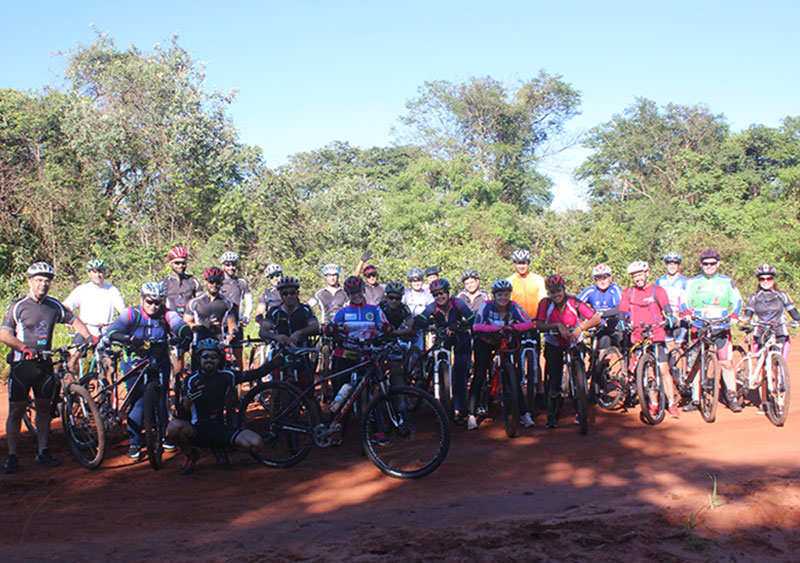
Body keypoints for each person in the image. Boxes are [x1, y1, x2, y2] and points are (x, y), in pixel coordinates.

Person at [1, 262, 96, 473]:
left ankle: (43, 451)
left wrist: (89, 337)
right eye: (39, 280)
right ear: (30, 281)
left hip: (44, 364)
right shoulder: (18, 306)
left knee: (44, 408)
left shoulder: (53, 306)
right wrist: (24, 348)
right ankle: (12, 455)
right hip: (22, 365)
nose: (43, 284)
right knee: (17, 410)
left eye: (47, 281)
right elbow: (4, 334)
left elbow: (74, 320)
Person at [104, 282, 193, 460]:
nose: (153, 306)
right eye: (149, 301)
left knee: (161, 399)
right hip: (134, 363)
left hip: (160, 361)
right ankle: (135, 440)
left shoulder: (167, 314)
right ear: (141, 299)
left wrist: (185, 336)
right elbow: (113, 332)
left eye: (157, 303)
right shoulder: (131, 313)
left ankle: (161, 435)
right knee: (138, 401)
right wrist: (129, 339)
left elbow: (180, 325)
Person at [168, 338, 273, 474]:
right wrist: (190, 398)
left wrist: (278, 359)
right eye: (205, 356)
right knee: (174, 427)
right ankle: (190, 455)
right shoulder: (191, 380)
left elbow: (257, 373)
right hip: (198, 430)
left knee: (256, 443)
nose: (209, 360)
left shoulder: (227, 376)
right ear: (199, 358)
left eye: (213, 356)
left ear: (218, 360)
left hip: (220, 429)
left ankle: (220, 449)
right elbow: (181, 414)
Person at [468, 279, 537, 430]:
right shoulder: (486, 305)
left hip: (506, 340)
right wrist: (493, 329)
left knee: (514, 375)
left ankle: (524, 414)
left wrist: (513, 327)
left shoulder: (514, 307)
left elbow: (530, 323)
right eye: (500, 295)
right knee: (479, 374)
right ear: (494, 296)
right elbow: (476, 325)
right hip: (486, 341)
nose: (503, 298)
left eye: (506, 295)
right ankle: (471, 414)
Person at [535, 274, 601, 429]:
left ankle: (580, 407)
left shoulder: (573, 302)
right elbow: (538, 324)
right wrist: (557, 325)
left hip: (573, 340)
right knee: (554, 376)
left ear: (563, 289)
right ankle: (551, 413)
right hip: (554, 342)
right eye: (552, 292)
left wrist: (581, 328)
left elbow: (596, 318)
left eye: (558, 291)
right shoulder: (545, 303)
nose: (556, 295)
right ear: (548, 293)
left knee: (579, 375)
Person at [682, 249, 743, 413]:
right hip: (699, 325)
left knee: (726, 362)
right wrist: (687, 312)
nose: (709, 266)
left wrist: (735, 314)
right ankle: (695, 399)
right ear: (701, 264)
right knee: (696, 363)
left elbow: (737, 300)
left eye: (712, 263)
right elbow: (684, 300)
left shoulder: (726, 281)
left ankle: (732, 396)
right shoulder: (693, 282)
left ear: (718, 263)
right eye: (705, 263)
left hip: (721, 326)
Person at [618, 261, 680, 419]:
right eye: (634, 276)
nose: (637, 278)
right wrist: (622, 322)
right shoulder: (629, 292)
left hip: (656, 333)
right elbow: (622, 310)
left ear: (647, 273)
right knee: (649, 372)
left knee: (663, 369)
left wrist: (670, 317)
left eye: (640, 274)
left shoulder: (657, 290)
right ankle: (653, 403)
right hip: (638, 335)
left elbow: (666, 306)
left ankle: (671, 403)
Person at [412, 278, 474, 424]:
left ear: (448, 293)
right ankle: (438, 396)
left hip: (460, 336)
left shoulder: (458, 303)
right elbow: (418, 320)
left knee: (459, 370)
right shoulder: (433, 307)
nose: (439, 297)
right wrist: (427, 321)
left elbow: (472, 319)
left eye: (442, 293)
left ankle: (458, 408)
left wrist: (458, 324)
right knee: (436, 361)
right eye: (435, 294)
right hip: (443, 337)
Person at [63, 258, 126, 375]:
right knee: (73, 356)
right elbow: (66, 306)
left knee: (110, 363)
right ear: (89, 273)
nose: (98, 274)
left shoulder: (112, 290)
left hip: (106, 333)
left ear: (105, 272)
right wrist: (68, 320)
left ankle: (108, 389)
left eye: (101, 271)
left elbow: (122, 310)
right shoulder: (82, 290)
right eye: (95, 271)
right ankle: (74, 385)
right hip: (86, 331)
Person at [258, 276, 319, 387]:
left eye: (292, 293)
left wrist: (299, 333)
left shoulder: (305, 310)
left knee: (308, 391)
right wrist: (277, 337)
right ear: (281, 295)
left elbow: (315, 326)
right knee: (276, 389)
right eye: (285, 293)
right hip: (281, 352)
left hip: (301, 352)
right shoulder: (274, 311)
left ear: (297, 293)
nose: (289, 296)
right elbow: (263, 331)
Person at [741, 264, 800, 361]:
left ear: (773, 279)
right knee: (762, 362)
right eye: (762, 279)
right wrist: (745, 318)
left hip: (780, 330)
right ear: (759, 280)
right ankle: (761, 375)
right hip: (760, 331)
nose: (765, 281)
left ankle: (780, 374)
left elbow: (794, 313)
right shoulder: (754, 297)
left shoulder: (782, 295)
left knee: (779, 361)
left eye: (769, 278)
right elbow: (748, 312)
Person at [161, 246, 202, 382]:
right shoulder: (165, 283)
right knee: (175, 365)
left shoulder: (193, 281)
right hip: (172, 327)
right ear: (170, 263)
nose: (181, 265)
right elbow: (160, 307)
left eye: (183, 262)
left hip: (191, 325)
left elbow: (202, 304)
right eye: (177, 262)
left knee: (197, 361)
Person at [577, 264, 623, 350]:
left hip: (615, 325)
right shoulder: (591, 291)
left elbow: (620, 307)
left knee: (621, 347)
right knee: (599, 347)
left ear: (610, 278)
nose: (602, 281)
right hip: (598, 326)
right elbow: (575, 304)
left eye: (605, 277)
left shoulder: (615, 289)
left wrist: (602, 314)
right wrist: (584, 317)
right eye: (598, 278)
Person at [219, 251, 253, 369]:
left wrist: (246, 316)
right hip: (220, 324)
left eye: (233, 264)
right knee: (219, 354)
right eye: (227, 265)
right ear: (222, 265)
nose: (231, 267)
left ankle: (239, 383)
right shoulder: (218, 281)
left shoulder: (241, 282)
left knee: (238, 356)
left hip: (236, 323)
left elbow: (248, 301)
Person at [655, 252, 689, 352]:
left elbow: (688, 301)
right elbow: (656, 299)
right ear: (666, 265)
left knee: (680, 349)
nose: (672, 266)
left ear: (679, 265)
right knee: (665, 348)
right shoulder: (660, 281)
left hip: (680, 318)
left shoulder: (685, 281)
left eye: (675, 264)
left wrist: (685, 315)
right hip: (665, 318)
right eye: (669, 264)